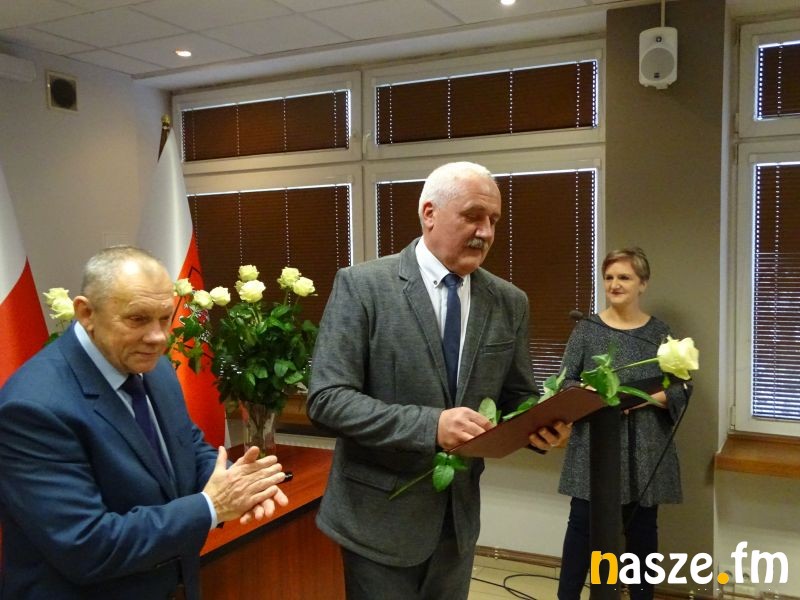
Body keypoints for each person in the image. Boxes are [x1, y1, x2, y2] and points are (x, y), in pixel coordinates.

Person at [307, 161, 571, 600]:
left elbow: (516, 397)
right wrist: (431, 426)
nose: (486, 232)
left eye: (493, 220)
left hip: (457, 525)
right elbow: (328, 400)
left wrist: (540, 427)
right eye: (473, 216)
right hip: (378, 522)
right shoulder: (363, 287)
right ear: (429, 213)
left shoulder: (509, 302)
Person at [0, 246, 289, 600]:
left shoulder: (154, 366)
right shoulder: (32, 407)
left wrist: (239, 483)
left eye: (165, 318)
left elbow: (187, 447)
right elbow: (86, 546)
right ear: (86, 313)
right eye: (137, 319)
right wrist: (211, 507)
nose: (158, 337)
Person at [557, 247, 690, 600]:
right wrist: (587, 392)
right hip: (594, 445)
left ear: (642, 284)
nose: (615, 284)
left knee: (642, 530)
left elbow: (680, 388)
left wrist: (638, 398)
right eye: (609, 277)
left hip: (644, 447)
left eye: (624, 277)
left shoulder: (659, 332)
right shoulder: (587, 329)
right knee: (582, 527)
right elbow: (564, 381)